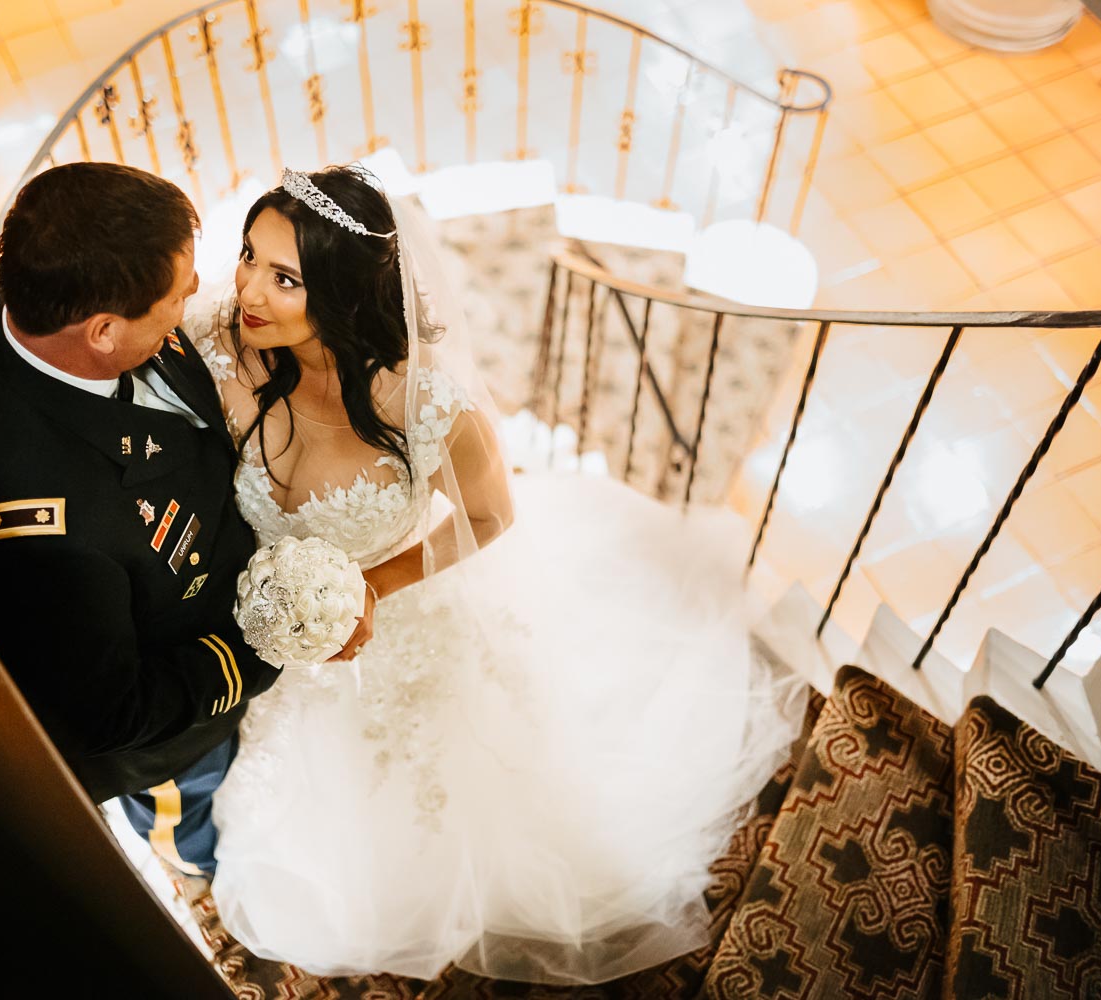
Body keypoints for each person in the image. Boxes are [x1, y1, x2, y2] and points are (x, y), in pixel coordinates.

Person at [183, 164, 808, 985]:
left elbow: (490, 518)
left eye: (285, 277)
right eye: (249, 257)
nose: (248, 289)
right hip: (289, 650)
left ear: (339, 292)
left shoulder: (429, 406)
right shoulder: (224, 347)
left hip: (395, 630)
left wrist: (374, 586)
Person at [0, 162, 283, 879]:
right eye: (175, 294)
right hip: (175, 731)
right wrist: (257, 654)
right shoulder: (51, 538)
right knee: (193, 818)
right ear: (102, 331)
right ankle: (197, 871)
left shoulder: (33, 292)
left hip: (200, 583)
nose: (197, 291)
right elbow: (108, 711)